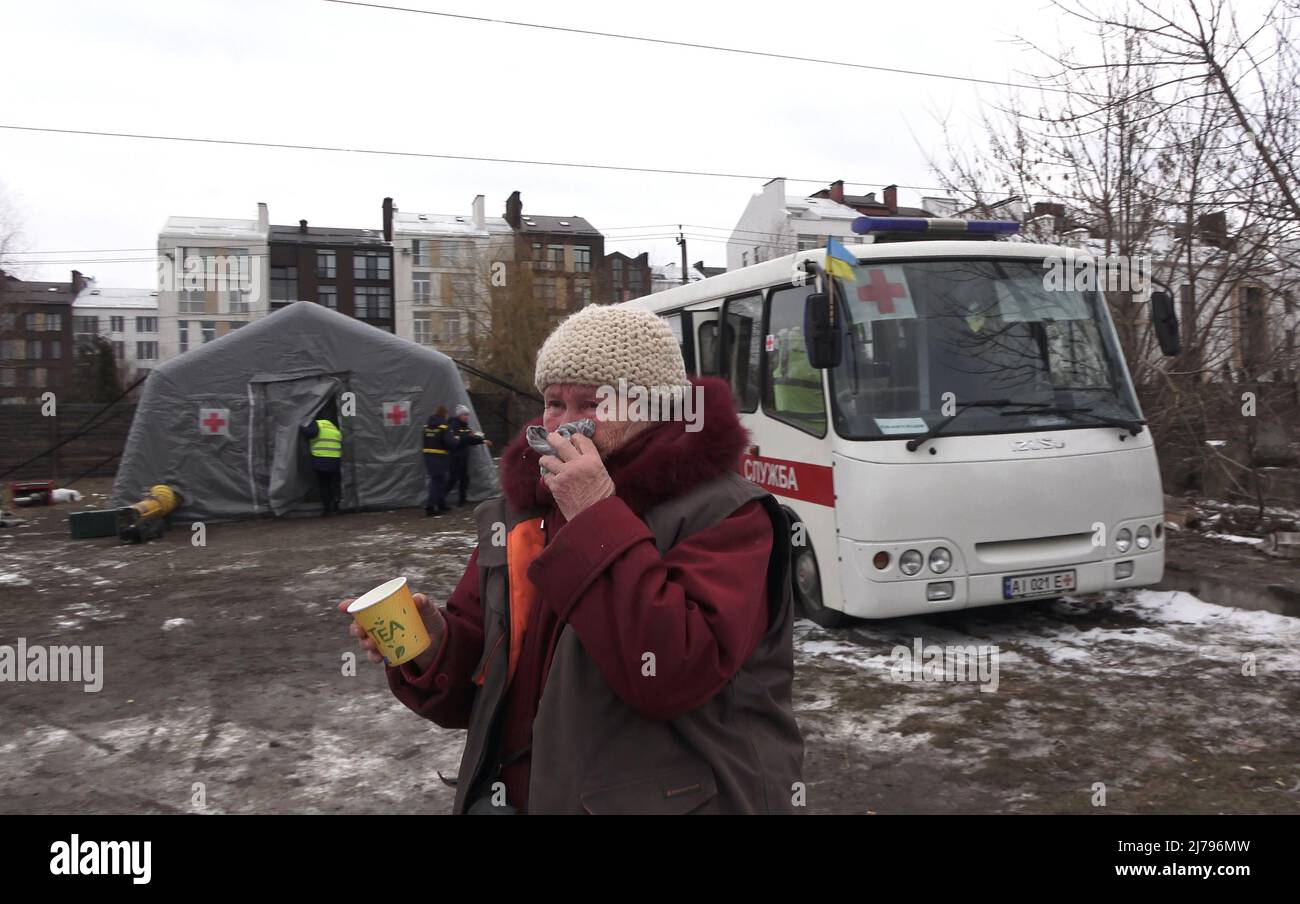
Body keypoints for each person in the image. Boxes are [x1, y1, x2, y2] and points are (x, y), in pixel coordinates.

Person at [341, 305, 804, 814]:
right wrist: (431, 646)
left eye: (593, 401)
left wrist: (595, 516)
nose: (565, 422)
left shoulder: (726, 514)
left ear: (656, 408)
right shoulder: (519, 513)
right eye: (554, 402)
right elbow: (486, 680)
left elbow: (672, 674)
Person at [446, 403, 493, 507]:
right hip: (455, 457)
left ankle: (462, 500)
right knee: (452, 479)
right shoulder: (454, 425)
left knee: (464, 478)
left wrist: (481, 440)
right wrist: (475, 438)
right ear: (459, 415)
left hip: (463, 457)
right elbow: (464, 438)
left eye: (467, 415)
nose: (466, 417)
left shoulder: (465, 426)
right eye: (464, 415)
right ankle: (440, 499)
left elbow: (469, 439)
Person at [301, 408, 343, 517]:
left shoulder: (316, 424)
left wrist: (301, 427)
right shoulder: (332, 426)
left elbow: (312, 433)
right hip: (335, 459)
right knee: (334, 484)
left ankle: (327, 509)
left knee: (324, 485)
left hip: (322, 459)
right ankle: (336, 506)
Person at [422, 405, 459, 516]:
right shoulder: (444, 427)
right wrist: (456, 439)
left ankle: (441, 504)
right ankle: (430, 507)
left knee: (439, 481)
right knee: (437, 482)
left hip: (428, 457)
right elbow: (450, 443)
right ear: (444, 414)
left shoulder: (427, 426)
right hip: (440, 457)